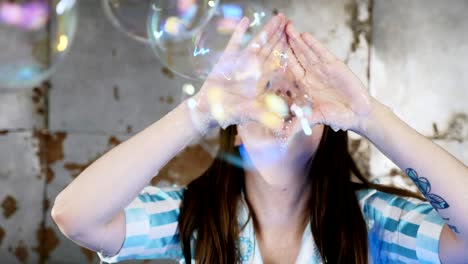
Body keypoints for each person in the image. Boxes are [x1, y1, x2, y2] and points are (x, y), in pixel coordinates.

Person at [51, 14, 468, 264]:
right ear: (235, 135)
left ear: (329, 134)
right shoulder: (191, 219)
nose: (283, 97)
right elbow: (75, 217)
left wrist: (370, 117)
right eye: (265, 90)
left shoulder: (374, 222)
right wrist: (198, 113)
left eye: (298, 93)